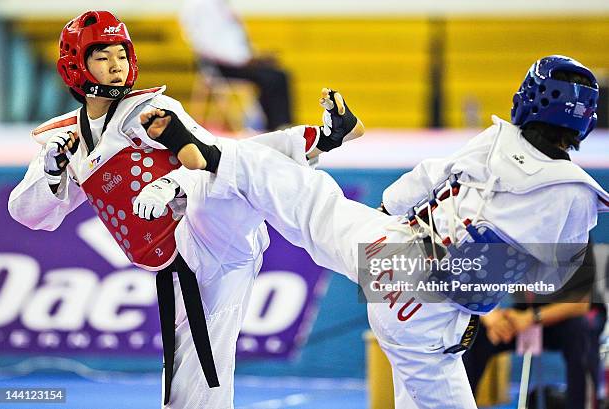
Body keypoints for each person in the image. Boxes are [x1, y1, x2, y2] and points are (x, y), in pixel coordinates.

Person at [134, 55, 608, 409]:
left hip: (395, 252)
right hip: (426, 306)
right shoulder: (576, 195)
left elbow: (427, 175)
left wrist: (385, 213)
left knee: (309, 200)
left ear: (529, 98)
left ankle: (214, 155)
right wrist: (486, 307)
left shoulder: (501, 138)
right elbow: (557, 274)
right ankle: (216, 158)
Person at [7, 10, 363, 409]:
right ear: (76, 65)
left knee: (225, 168)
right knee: (189, 386)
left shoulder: (151, 110)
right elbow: (30, 215)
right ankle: (318, 139)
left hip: (207, 229)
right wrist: (53, 171)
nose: (116, 65)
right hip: (179, 260)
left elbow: (213, 158)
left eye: (121, 55)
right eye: (102, 56)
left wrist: (169, 183)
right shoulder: (65, 138)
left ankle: (323, 155)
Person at [464, 241, 606, 409]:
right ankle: (458, 403)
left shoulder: (575, 231)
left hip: (568, 317)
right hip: (522, 316)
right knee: (474, 333)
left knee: (582, 330)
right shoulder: (503, 229)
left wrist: (532, 318)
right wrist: (492, 317)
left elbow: (580, 304)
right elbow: (471, 281)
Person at [180, 0, 292, 131]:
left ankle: (280, 126)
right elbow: (205, 44)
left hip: (238, 61)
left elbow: (234, 40)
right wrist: (242, 60)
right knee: (270, 78)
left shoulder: (222, 5)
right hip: (221, 65)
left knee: (279, 74)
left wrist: (255, 57)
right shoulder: (198, 6)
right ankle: (275, 127)